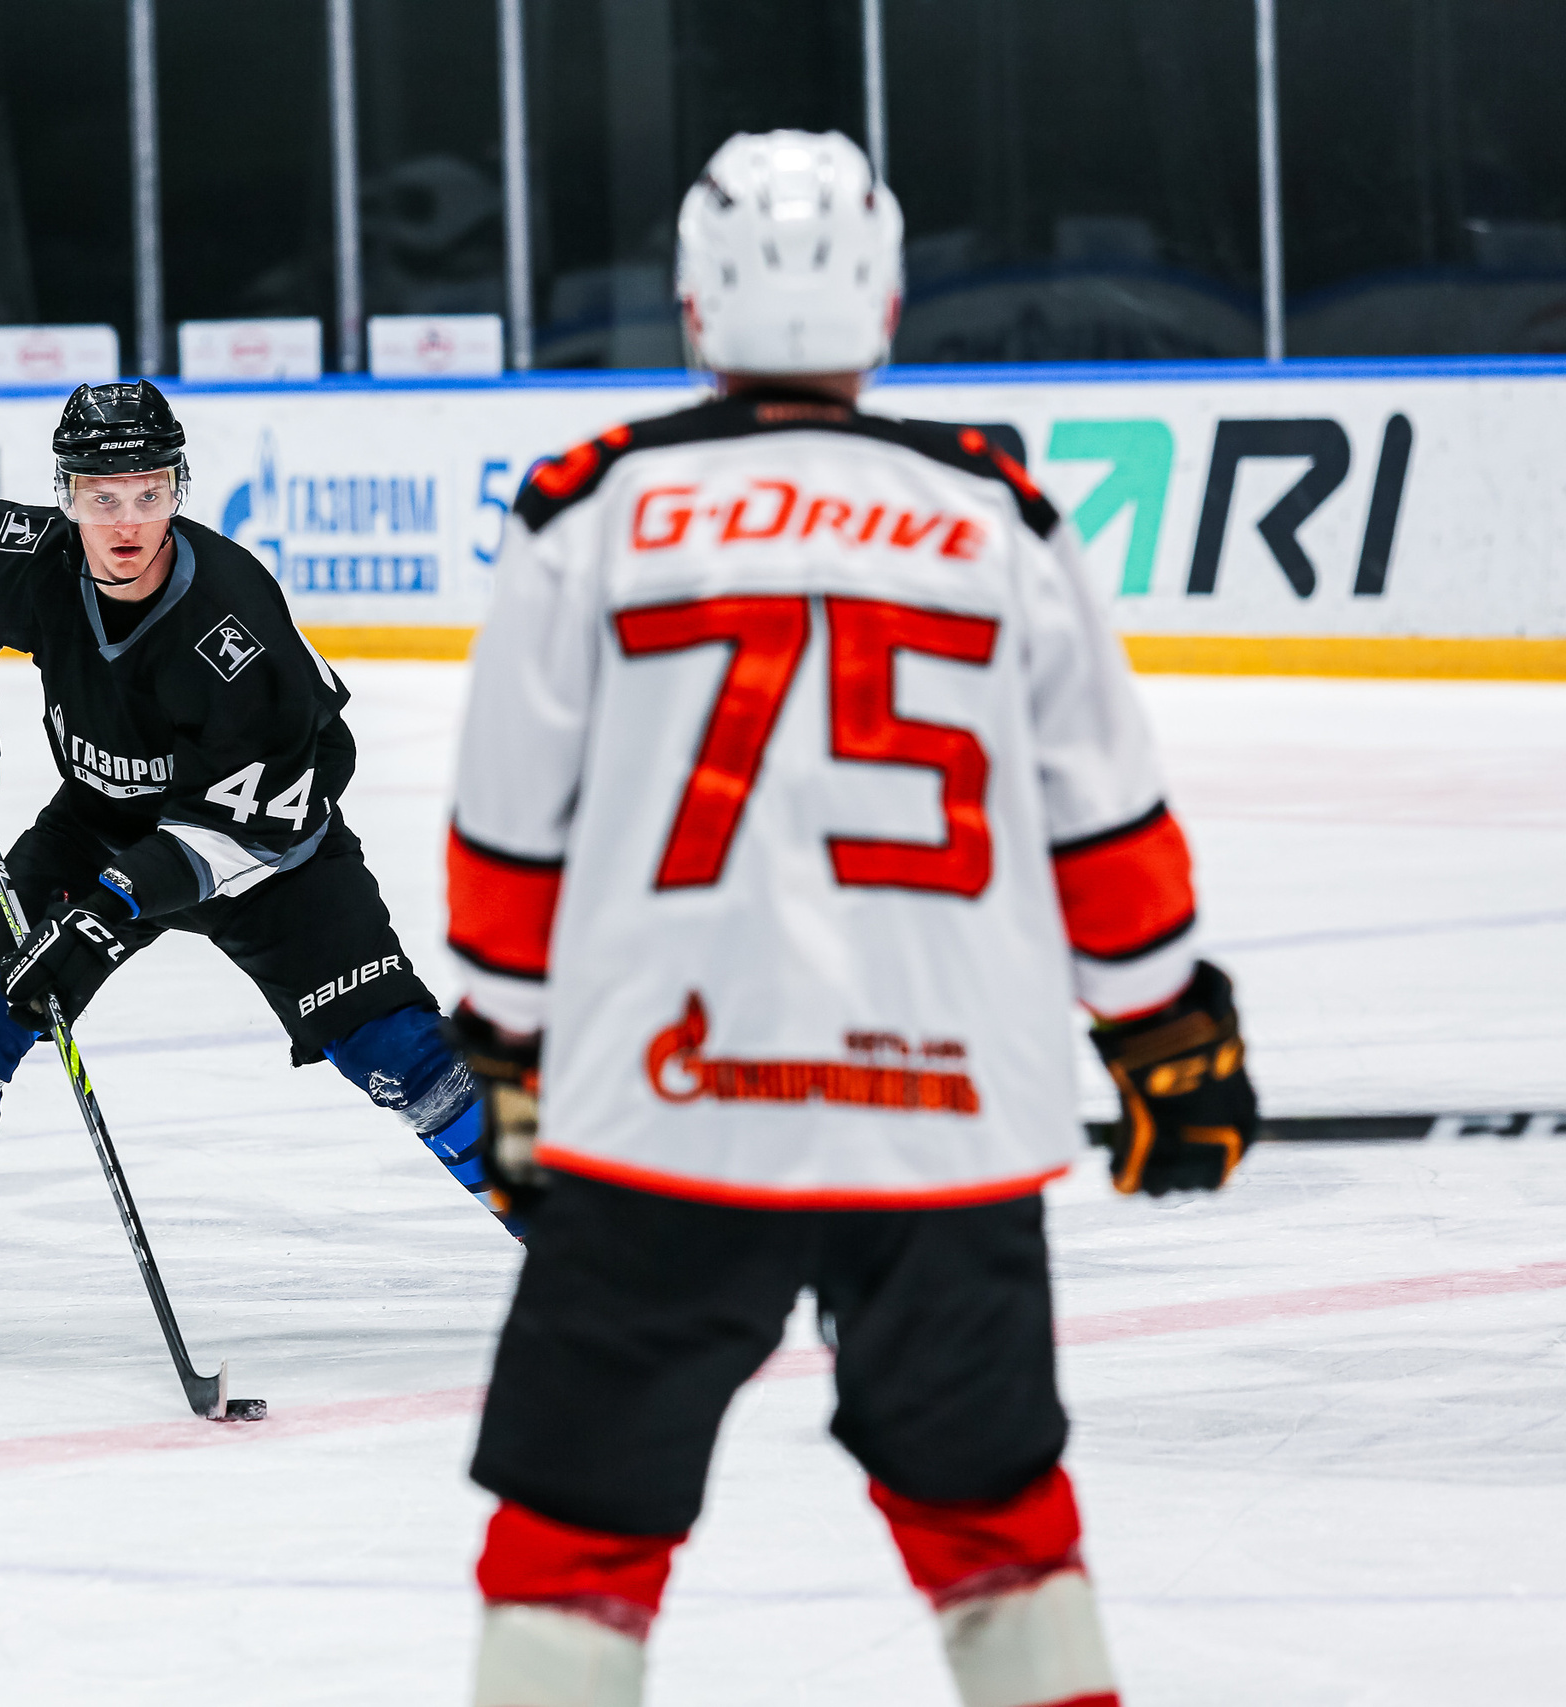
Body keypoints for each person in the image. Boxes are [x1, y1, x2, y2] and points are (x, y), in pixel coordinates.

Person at [441, 130, 1259, 1707]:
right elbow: (1105, 820)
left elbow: (507, 836)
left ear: (694, 306)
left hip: (669, 1117)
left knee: (572, 1536)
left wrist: (506, 1041)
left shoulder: (590, 504)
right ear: (886, 307)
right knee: (1002, 1524)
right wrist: (1167, 1033)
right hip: (944, 1122)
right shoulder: (998, 512)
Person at [0, 379, 514, 1363]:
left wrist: (109, 912)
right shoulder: (29, 558)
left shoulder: (235, 626)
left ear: (178, 489)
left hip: (271, 853)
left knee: (398, 1051)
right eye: (101, 497)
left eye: (146, 492)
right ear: (65, 498)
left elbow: (257, 819)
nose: (126, 520)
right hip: (97, 822)